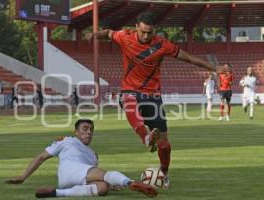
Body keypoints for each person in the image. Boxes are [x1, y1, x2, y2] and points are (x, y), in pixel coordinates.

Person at [85, 11, 218, 189]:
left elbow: (188, 58)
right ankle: (146, 137)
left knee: (164, 144)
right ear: (136, 28)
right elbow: (108, 33)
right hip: (130, 89)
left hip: (152, 95)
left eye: (150, 32)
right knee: (128, 98)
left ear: (154, 31)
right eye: (143, 32)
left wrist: (215, 68)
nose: (146, 36)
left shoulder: (162, 44)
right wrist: (94, 35)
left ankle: (164, 173)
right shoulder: (125, 36)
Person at [5, 119, 157, 198]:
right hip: (71, 169)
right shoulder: (66, 140)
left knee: (103, 188)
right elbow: (41, 157)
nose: (89, 132)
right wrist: (23, 177)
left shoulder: (93, 154)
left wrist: (111, 184)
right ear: (76, 132)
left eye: (91, 130)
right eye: (85, 129)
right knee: (105, 174)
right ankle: (131, 182)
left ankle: (58, 193)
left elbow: (93, 175)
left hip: (68, 181)